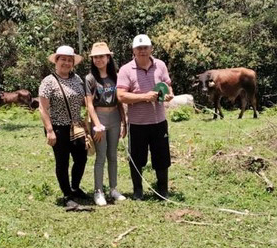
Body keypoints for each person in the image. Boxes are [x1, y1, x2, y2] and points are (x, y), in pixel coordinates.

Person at [116, 34, 174, 200]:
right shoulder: (126, 70)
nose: (142, 51)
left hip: (159, 121)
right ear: (133, 50)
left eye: (145, 47)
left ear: (151, 49)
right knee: (137, 158)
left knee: (162, 157)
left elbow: (168, 86)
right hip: (137, 123)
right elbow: (121, 95)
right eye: (139, 48)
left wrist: (169, 94)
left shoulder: (160, 65)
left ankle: (163, 190)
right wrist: (145, 97)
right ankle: (138, 191)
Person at [37, 45, 90, 207]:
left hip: (76, 126)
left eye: (69, 60)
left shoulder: (77, 79)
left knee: (81, 158)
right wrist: (50, 131)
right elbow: (42, 108)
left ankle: (75, 187)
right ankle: (67, 195)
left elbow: (84, 100)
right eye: (63, 59)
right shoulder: (48, 81)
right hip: (58, 128)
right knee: (62, 161)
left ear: (73, 63)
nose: (66, 63)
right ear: (56, 61)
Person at [84, 42, 128, 206]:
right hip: (99, 117)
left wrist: (124, 122)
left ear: (108, 58)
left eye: (101, 56)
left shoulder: (116, 76)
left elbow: (120, 101)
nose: (98, 60)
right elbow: (89, 105)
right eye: (95, 57)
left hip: (115, 117)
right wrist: (97, 125)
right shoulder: (90, 79)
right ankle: (98, 191)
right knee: (101, 156)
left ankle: (113, 188)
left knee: (113, 156)